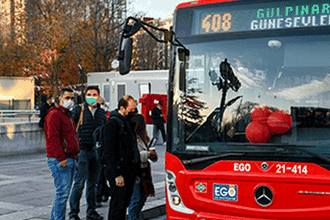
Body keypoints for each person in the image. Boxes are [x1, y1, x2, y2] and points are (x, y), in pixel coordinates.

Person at [69, 86, 107, 220]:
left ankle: (91, 211)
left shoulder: (102, 113)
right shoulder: (78, 110)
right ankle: (73, 213)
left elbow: (104, 133)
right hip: (82, 152)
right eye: (89, 94)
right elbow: (70, 127)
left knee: (93, 184)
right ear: (85, 97)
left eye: (94, 94)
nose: (92, 97)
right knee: (79, 183)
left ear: (98, 96)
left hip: (96, 153)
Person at [44, 88, 80, 220]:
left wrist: (74, 158)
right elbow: (53, 138)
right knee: (62, 194)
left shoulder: (67, 115)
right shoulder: (55, 114)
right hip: (60, 159)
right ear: (60, 98)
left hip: (70, 158)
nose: (70, 101)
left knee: (62, 194)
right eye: (67, 98)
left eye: (72, 98)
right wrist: (61, 157)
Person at [103, 95, 140, 220]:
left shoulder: (126, 122)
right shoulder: (113, 123)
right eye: (131, 110)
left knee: (124, 204)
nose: (133, 113)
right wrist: (117, 173)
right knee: (117, 206)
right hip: (119, 172)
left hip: (128, 171)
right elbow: (110, 151)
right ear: (122, 108)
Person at [128, 114, 158, 220]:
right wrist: (147, 154)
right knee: (136, 198)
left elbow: (152, 157)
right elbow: (133, 155)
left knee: (142, 197)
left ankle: (135, 217)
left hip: (144, 171)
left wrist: (153, 155)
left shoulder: (144, 138)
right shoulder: (132, 137)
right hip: (136, 171)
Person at [96, 97, 110, 208]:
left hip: (101, 147)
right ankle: (101, 194)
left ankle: (101, 195)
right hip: (95, 147)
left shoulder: (103, 115)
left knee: (101, 174)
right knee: (100, 175)